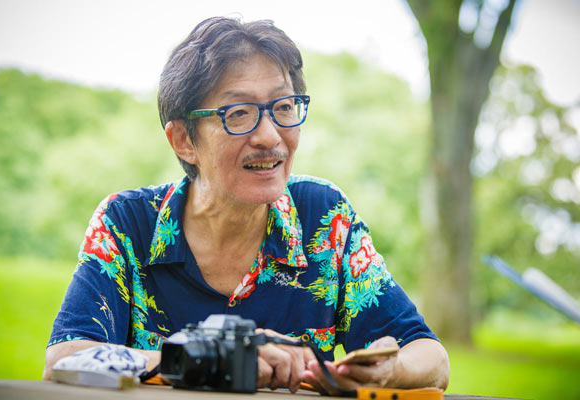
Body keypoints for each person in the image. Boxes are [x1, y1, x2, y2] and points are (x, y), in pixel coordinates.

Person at [43, 16, 449, 394]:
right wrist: (215, 361)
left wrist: (385, 372)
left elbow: (431, 357)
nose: (270, 136)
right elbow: (65, 359)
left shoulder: (325, 217)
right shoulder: (127, 224)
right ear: (184, 140)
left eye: (284, 107)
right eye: (239, 114)